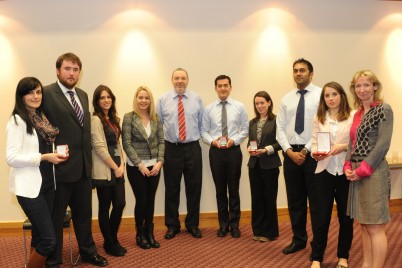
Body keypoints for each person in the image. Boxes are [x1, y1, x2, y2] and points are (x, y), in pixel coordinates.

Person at [42, 53, 108, 267]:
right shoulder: (46, 94)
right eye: (68, 69)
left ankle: (88, 252)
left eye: (76, 69)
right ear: (58, 71)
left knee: (84, 217)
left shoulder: (83, 94)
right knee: (55, 219)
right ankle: (54, 260)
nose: (72, 73)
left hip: (82, 170)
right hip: (59, 171)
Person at [6, 77, 67, 268]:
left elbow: (45, 148)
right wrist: (43, 157)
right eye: (30, 92)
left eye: (39, 92)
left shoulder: (41, 119)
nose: (35, 96)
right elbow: (11, 157)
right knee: (49, 240)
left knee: (40, 236)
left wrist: (56, 154)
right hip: (29, 189)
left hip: (48, 184)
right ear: (21, 96)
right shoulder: (17, 120)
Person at [343, 70, 393, 268]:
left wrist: (362, 169)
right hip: (356, 172)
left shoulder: (383, 109)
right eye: (358, 86)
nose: (362, 89)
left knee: (375, 227)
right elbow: (351, 143)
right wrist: (347, 165)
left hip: (373, 172)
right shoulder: (357, 113)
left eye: (366, 85)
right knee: (364, 226)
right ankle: (366, 264)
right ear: (354, 89)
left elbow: (382, 145)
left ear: (374, 86)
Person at [276, 58, 322, 254]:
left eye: (302, 70)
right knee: (295, 200)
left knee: (317, 201)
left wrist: (305, 150)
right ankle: (299, 239)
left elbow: (323, 125)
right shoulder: (286, 98)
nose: (298, 74)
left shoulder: (321, 95)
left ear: (311, 74)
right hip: (290, 154)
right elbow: (279, 128)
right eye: (295, 71)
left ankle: (318, 244)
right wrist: (288, 151)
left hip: (313, 154)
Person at [309, 82, 354, 268]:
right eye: (327, 96)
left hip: (346, 172)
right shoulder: (319, 118)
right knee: (321, 218)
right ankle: (317, 258)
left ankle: (343, 257)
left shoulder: (352, 116)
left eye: (334, 94)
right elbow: (313, 144)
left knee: (346, 218)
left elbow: (356, 143)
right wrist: (316, 153)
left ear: (342, 96)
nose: (331, 98)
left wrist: (342, 147)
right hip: (324, 171)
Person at [156, 68, 204, 239]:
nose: (180, 81)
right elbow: (159, 124)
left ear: (187, 80)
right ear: (172, 80)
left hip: (192, 147)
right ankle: (172, 225)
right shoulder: (163, 100)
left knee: (194, 188)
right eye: (177, 78)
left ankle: (193, 224)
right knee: (171, 188)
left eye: (183, 78)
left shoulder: (197, 99)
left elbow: (201, 123)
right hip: (171, 148)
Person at [201, 75, 248, 238]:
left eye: (226, 85)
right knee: (220, 190)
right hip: (216, 153)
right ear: (215, 88)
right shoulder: (208, 109)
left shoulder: (239, 107)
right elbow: (204, 131)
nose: (223, 88)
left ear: (230, 87)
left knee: (233, 189)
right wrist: (212, 142)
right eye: (219, 86)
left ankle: (235, 224)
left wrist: (234, 141)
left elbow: (245, 130)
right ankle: (223, 225)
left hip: (234, 151)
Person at [122, 86, 164, 249]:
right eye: (140, 97)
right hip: (136, 167)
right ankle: (140, 234)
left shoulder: (156, 118)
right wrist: (140, 164)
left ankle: (150, 233)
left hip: (155, 166)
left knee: (150, 200)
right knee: (142, 200)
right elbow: (126, 143)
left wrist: (160, 162)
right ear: (136, 99)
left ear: (150, 100)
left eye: (146, 98)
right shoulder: (129, 117)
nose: (143, 101)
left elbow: (161, 140)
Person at [91, 85, 126, 257]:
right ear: (97, 101)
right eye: (102, 97)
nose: (106, 100)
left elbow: (118, 143)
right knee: (105, 206)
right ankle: (111, 242)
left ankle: (110, 239)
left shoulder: (113, 119)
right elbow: (98, 147)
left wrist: (122, 165)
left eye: (108, 97)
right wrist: (115, 167)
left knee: (120, 203)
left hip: (118, 167)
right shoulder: (96, 120)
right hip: (105, 168)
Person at [247, 91, 282, 242]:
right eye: (257, 103)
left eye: (262, 103)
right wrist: (249, 148)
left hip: (270, 164)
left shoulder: (276, 121)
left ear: (269, 102)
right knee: (257, 198)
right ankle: (258, 230)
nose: (259, 106)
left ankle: (270, 232)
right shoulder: (252, 122)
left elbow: (281, 142)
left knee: (269, 198)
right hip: (254, 165)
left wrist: (266, 150)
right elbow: (251, 142)